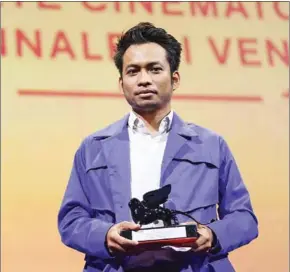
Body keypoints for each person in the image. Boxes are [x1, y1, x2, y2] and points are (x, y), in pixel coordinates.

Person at [58, 22, 258, 272]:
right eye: (133, 71)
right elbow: (71, 220)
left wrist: (212, 234)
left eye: (154, 69)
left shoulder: (211, 145)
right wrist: (105, 234)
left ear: (174, 79)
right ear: (121, 84)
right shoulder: (93, 148)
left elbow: (245, 218)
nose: (144, 80)